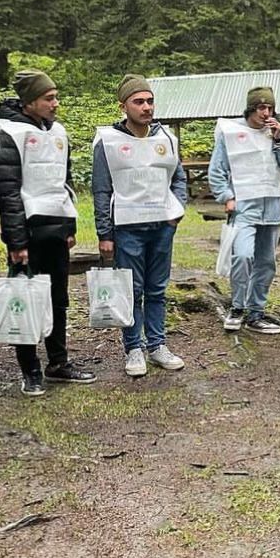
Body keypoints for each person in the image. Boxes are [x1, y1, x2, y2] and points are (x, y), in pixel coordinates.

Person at [0, 68, 95, 395]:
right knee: (26, 300)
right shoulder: (7, 135)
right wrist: (16, 241)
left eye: (56, 97)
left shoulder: (58, 131)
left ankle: (58, 363)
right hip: (29, 233)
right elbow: (7, 192)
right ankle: (30, 370)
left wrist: (70, 225)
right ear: (29, 102)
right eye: (49, 98)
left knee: (57, 299)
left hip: (56, 229)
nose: (56, 103)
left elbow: (64, 182)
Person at [92, 74, 189, 377]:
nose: (146, 107)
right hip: (127, 227)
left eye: (149, 101)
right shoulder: (108, 140)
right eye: (138, 101)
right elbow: (101, 189)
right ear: (124, 106)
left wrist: (177, 211)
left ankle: (157, 344)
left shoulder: (167, 138)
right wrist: (104, 233)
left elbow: (179, 178)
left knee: (157, 288)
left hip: (162, 226)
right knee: (131, 290)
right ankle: (134, 347)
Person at [209, 86, 280, 335]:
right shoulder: (230, 132)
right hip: (244, 206)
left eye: (270, 108)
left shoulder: (275, 134)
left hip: (271, 206)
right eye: (261, 107)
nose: (266, 112)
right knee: (243, 256)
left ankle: (256, 313)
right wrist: (227, 196)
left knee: (266, 262)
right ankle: (237, 307)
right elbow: (217, 170)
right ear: (251, 108)